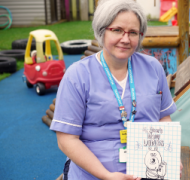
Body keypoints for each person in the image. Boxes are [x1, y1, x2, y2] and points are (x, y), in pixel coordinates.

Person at [49, 0, 182, 179]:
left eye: (133, 32)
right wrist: (106, 175)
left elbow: (163, 117)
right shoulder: (77, 75)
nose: (125, 39)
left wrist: (169, 155)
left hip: (149, 168)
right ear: (102, 31)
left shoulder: (153, 68)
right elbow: (66, 139)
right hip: (94, 174)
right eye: (117, 30)